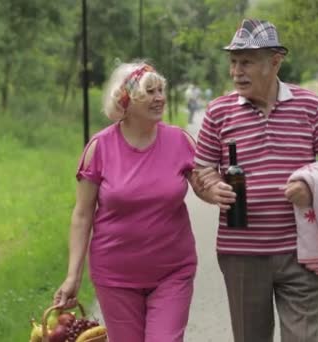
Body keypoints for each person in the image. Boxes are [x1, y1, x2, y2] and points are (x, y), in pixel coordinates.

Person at [193, 19, 318, 342]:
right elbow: (200, 172)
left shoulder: (309, 105)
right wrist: (211, 189)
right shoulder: (217, 112)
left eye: (247, 62)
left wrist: (311, 187)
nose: (237, 71)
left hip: (302, 251)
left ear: (275, 61)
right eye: (233, 62)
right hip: (242, 255)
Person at [53, 62, 202, 342]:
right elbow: (82, 215)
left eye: (161, 90)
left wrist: (218, 188)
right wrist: (73, 275)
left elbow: (204, 184)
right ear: (126, 99)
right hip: (115, 277)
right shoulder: (99, 147)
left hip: (173, 271)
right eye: (150, 91)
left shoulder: (180, 141)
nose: (160, 97)